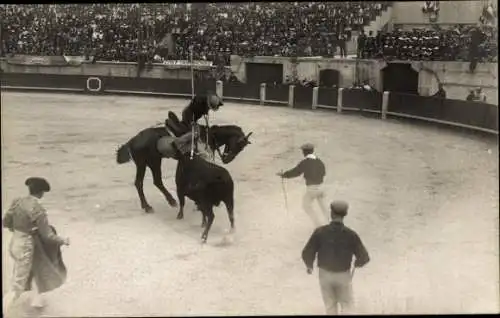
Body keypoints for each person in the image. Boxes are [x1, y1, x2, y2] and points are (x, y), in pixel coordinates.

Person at [2, 177, 70, 312]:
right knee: (17, 287)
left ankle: (37, 302)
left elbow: (5, 223)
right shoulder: (38, 209)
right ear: (41, 193)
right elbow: (48, 235)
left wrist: (23, 228)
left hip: (14, 243)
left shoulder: (17, 202)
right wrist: (63, 240)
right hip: (26, 247)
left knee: (36, 266)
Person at [301, 200, 370, 315]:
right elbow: (364, 257)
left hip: (325, 275)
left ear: (331, 214)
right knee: (347, 307)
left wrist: (309, 266)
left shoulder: (320, 232)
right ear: (345, 215)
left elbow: (307, 252)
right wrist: (357, 263)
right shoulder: (351, 234)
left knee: (330, 307)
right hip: (343, 275)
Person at [277, 143, 328, 227]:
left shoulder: (305, 162)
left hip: (311, 188)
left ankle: (318, 225)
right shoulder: (319, 161)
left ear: (304, 152)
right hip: (321, 187)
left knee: (306, 205)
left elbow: (295, 172)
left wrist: (284, 175)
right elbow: (323, 173)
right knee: (323, 207)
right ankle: (331, 222)